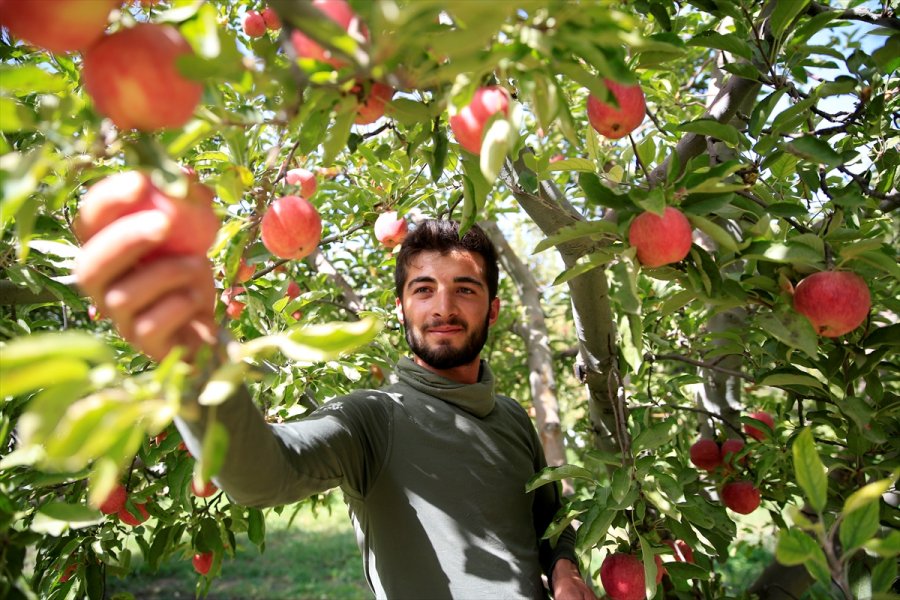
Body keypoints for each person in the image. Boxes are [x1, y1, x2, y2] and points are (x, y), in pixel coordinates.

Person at [76, 214, 596, 599]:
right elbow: (262, 478)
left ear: (494, 308)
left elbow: (552, 522)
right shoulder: (372, 416)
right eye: (424, 290)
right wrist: (194, 356)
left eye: (465, 289)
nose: (443, 308)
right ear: (401, 308)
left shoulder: (512, 418)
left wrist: (567, 565)